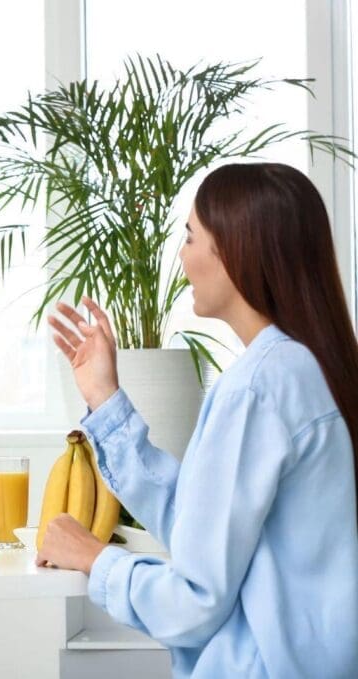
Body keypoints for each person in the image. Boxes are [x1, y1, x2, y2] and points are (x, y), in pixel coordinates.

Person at [40, 163, 358, 678]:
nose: (181, 257)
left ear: (234, 250)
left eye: (190, 237)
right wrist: (104, 396)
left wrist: (96, 559)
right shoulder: (307, 367)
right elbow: (200, 524)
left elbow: (194, 601)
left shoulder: (258, 386)